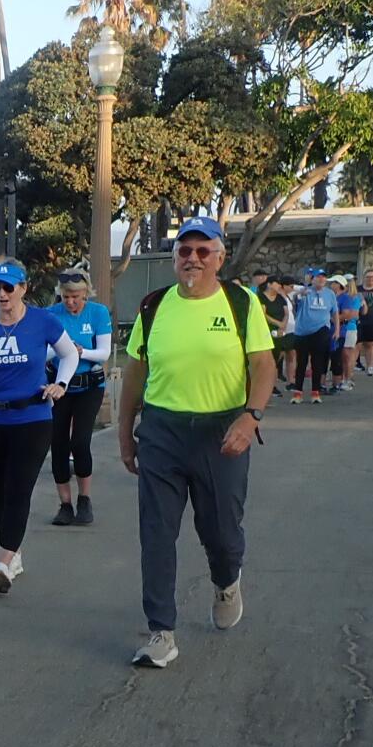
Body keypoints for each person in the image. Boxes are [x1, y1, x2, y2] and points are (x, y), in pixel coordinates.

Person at [118, 216, 275, 670]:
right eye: (185, 251)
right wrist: (127, 435)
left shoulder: (241, 303)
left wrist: (252, 416)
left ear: (219, 258)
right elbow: (134, 375)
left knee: (221, 531)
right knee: (157, 533)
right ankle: (161, 631)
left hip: (222, 431)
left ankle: (227, 580)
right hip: (162, 431)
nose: (193, 259)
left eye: (203, 251)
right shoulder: (155, 306)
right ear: (174, 259)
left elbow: (264, 366)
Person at [0, 259, 80, 593]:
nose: (1, 294)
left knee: (19, 486)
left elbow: (69, 355)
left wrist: (62, 384)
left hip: (33, 417)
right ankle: (13, 551)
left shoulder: (43, 321)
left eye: (8, 287)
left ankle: (1, 563)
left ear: (23, 288)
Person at [47, 271, 113, 526]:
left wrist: (80, 351)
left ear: (85, 293)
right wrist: (58, 353)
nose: (70, 302)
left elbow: (104, 352)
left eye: (75, 297)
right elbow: (45, 350)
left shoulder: (97, 313)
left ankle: (84, 498)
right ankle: (65, 503)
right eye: (66, 297)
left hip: (89, 386)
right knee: (59, 444)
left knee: (80, 441)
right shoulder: (52, 314)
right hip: (59, 386)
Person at [287, 269, 336, 403]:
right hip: (303, 331)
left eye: (323, 277)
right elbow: (294, 297)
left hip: (321, 330)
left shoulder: (330, 294)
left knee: (317, 362)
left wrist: (336, 330)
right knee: (301, 362)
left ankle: (315, 392)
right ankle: (298, 392)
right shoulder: (305, 292)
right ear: (312, 279)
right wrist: (301, 293)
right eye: (318, 277)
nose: (321, 279)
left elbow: (334, 312)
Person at [331, 278, 362, 392]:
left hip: (349, 328)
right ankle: (343, 378)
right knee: (342, 356)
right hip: (344, 328)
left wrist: (332, 319)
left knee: (347, 356)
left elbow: (353, 315)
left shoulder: (353, 298)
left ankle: (348, 379)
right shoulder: (339, 297)